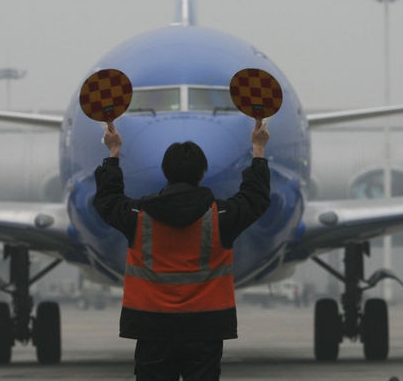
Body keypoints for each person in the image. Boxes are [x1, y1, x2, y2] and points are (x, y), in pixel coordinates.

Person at [94, 118, 271, 381]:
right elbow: (255, 197)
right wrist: (258, 149)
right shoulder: (221, 216)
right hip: (206, 326)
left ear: (166, 171)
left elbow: (108, 200)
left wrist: (113, 154)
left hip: (152, 325)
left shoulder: (138, 216)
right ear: (202, 172)